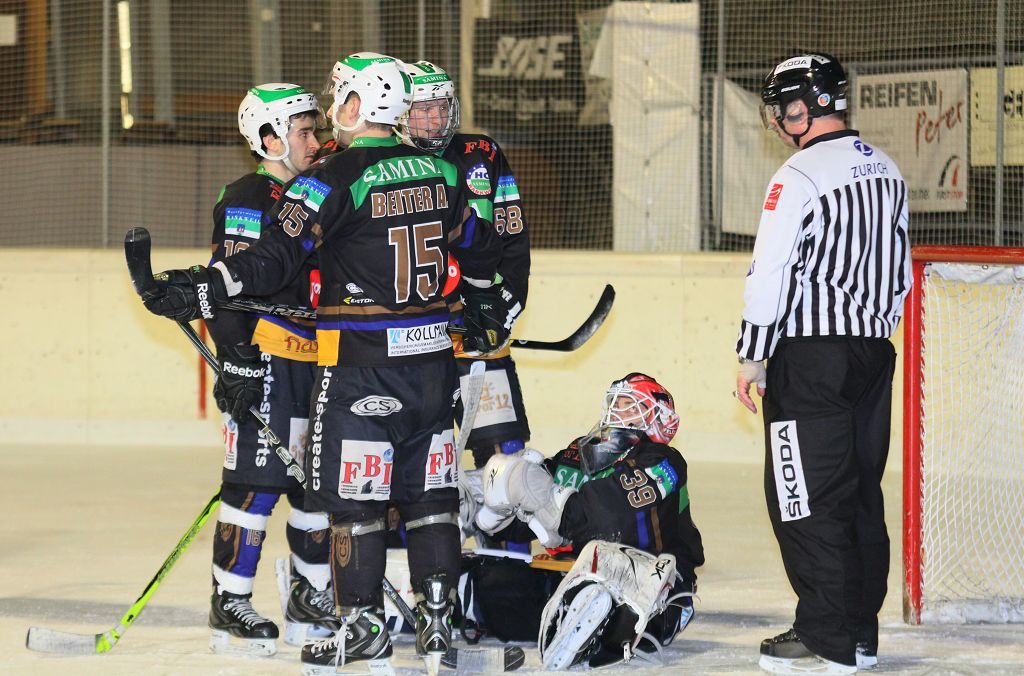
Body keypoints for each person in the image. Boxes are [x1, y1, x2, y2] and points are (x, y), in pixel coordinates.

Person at [138, 52, 503, 674]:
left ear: (360, 104)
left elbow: (272, 260)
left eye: (339, 97)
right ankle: (438, 626)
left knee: (354, 501)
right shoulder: (443, 170)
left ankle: (361, 627)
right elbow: (479, 246)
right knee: (429, 497)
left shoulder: (331, 177)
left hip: (360, 371)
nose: (332, 110)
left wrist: (201, 286)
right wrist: (483, 303)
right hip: (431, 367)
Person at [733, 53, 911, 675]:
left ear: (803, 108)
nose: (779, 123)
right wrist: (873, 334)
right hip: (872, 354)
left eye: (782, 110)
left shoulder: (799, 175)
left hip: (810, 359)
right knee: (859, 491)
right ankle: (859, 633)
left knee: (803, 495)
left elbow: (770, 273)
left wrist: (752, 354)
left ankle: (826, 637)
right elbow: (900, 269)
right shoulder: (886, 168)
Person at [205, 83, 336, 656]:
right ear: (269, 138)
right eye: (304, 132)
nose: (316, 141)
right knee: (255, 485)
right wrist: (237, 360)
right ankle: (230, 598)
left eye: (314, 130)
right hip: (268, 358)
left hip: (320, 358)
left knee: (315, 487)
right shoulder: (247, 195)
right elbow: (226, 288)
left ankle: (311, 593)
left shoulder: (318, 193)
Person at [467, 372, 705, 669]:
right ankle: (466, 603)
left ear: (659, 418)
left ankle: (591, 612)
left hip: (653, 588)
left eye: (631, 405)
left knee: (603, 557)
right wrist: (489, 507)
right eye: (616, 402)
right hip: (575, 575)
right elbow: (533, 518)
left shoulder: (662, 460)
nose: (618, 410)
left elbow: (607, 518)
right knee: (485, 577)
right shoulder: (578, 452)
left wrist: (539, 495)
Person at [397, 61, 530, 477]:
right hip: (407, 332)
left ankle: (499, 524)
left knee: (505, 454)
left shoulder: (480, 153)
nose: (436, 119)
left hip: (477, 315)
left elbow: (511, 233)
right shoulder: (382, 163)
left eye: (442, 107)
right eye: (424, 109)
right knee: (411, 455)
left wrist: (504, 303)